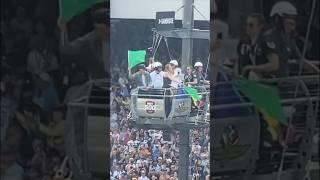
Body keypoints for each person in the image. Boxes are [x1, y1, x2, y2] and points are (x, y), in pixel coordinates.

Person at [241, 1, 318, 78]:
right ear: (277, 20)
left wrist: (317, 71)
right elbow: (274, 65)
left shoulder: (288, 38)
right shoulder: (269, 38)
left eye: (293, 24)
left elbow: (300, 60)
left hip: (284, 81)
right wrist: (250, 68)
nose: (292, 28)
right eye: (289, 24)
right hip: (270, 82)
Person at [58, 8, 109, 79]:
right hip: (99, 84)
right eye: (105, 24)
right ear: (96, 25)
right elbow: (65, 48)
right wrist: (63, 29)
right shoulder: (90, 40)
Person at [236, 13, 266, 79]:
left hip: (260, 80)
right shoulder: (243, 42)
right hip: (243, 80)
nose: (247, 27)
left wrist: (251, 68)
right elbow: (239, 59)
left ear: (260, 26)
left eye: (251, 25)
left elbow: (274, 65)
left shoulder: (265, 42)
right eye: (246, 25)